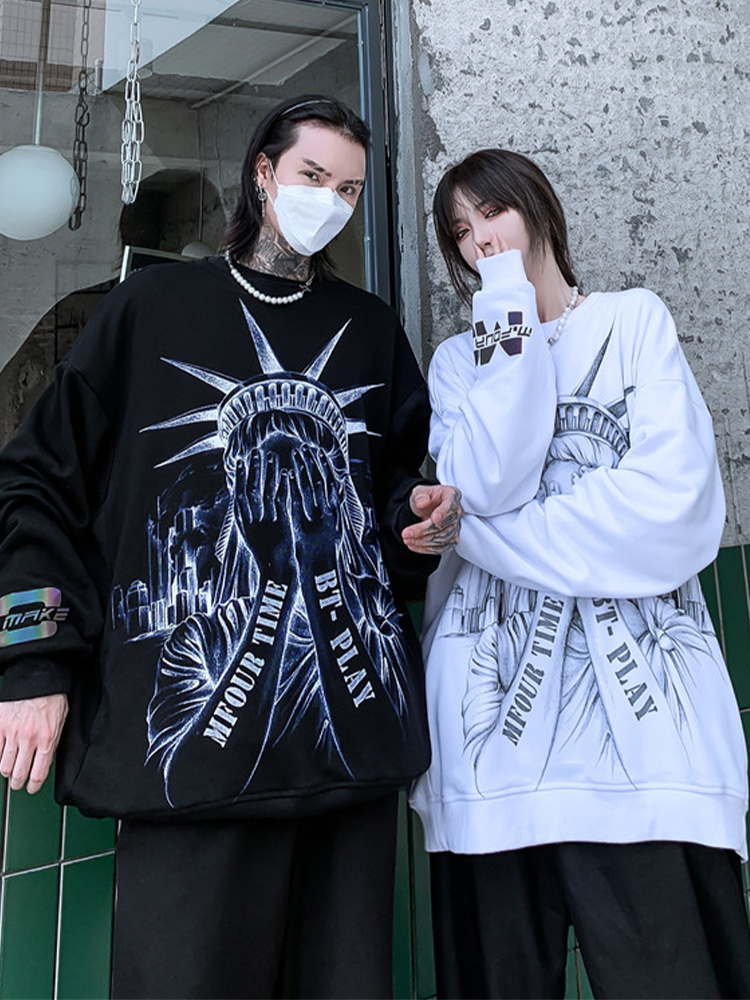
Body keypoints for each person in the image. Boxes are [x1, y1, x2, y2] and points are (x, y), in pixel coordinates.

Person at [0, 94, 461, 1000]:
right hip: (191, 774)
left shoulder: (369, 330)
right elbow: (34, 482)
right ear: (262, 172)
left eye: (349, 189)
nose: (330, 201)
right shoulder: (149, 309)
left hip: (353, 762)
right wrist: (33, 662)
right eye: (313, 175)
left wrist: (422, 523)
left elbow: (394, 505)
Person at [409, 147, 750, 999]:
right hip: (492, 743)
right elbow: (490, 480)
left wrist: (485, 537)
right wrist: (507, 308)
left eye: (492, 213)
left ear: (539, 210)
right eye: (461, 230)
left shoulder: (634, 323)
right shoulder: (458, 364)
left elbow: (671, 511)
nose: (480, 239)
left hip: (646, 739)